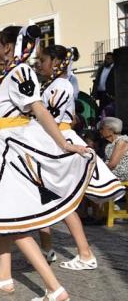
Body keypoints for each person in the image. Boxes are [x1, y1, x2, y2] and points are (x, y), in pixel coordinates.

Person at [0, 25, 94, 300]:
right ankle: (4, 277)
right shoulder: (10, 74)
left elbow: (38, 109)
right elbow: (3, 116)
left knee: (13, 222)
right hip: (2, 148)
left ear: (7, 46)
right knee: (3, 216)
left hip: (10, 153)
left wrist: (63, 143)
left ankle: (55, 289)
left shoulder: (20, 72)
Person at [35, 44, 125, 270]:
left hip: (57, 142)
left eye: (42, 60)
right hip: (54, 140)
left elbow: (52, 119)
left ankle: (84, 253)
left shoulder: (61, 85)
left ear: (55, 63)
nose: (38, 64)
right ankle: (48, 249)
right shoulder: (55, 85)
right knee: (44, 197)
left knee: (60, 199)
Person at [100, 117, 128, 181]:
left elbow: (112, 164)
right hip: (112, 171)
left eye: (102, 129)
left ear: (111, 130)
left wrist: (99, 170)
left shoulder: (122, 141)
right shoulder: (110, 144)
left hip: (120, 173)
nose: (100, 131)